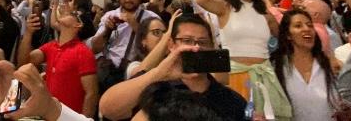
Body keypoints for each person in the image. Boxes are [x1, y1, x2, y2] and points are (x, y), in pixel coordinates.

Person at [99, 14, 246, 120]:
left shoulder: (230, 99)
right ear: (171, 45)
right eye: (187, 40)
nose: (195, 47)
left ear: (211, 47)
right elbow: (108, 109)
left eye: (202, 42)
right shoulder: (156, 85)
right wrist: (159, 74)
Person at [195, 0, 287, 118]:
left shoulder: (266, 15)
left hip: (264, 76)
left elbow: (283, 44)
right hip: (234, 76)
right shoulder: (225, 8)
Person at [18, 4, 98, 117]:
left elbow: (91, 94)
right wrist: (28, 33)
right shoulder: (51, 47)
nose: (67, 11)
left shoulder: (83, 53)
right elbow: (24, 62)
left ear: (78, 24)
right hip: (50, 115)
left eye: (72, 14)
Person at [89, 0, 160, 92]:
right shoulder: (109, 15)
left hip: (138, 76)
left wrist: (135, 25)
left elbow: (159, 48)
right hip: (110, 75)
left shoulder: (152, 18)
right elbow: (95, 48)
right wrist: (107, 29)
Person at [270, 9, 339, 121]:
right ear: (288, 35)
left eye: (310, 25)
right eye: (298, 26)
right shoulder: (277, 66)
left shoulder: (328, 64)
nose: (307, 29)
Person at [126, 10, 182, 79]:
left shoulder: (173, 63)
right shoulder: (134, 66)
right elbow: (140, 74)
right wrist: (168, 34)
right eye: (157, 32)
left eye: (164, 32)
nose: (163, 37)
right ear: (143, 40)